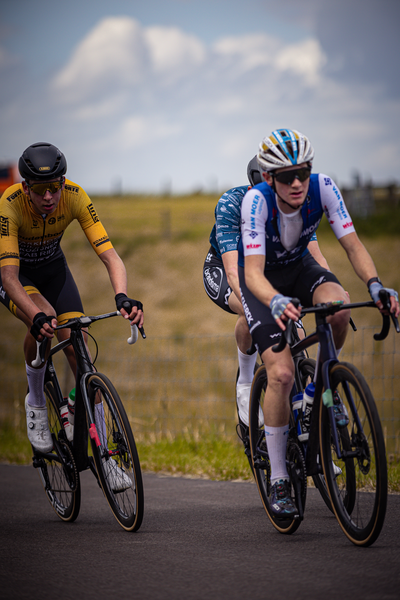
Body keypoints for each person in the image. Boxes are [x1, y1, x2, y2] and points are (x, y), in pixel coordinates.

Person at [239, 128, 399, 516]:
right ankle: (279, 478)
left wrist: (376, 285)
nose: (297, 182)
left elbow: (353, 245)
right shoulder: (255, 203)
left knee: (340, 307)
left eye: (304, 172)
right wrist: (274, 300)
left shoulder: (323, 187)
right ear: (269, 178)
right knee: (279, 374)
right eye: (288, 175)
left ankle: (324, 384)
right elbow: (253, 273)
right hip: (264, 285)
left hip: (301, 269)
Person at [0, 142, 144, 491]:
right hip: (17, 276)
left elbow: (110, 256)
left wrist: (122, 296)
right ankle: (35, 401)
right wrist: (34, 315)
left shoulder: (76, 196)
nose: (49, 196)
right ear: (25, 187)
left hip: (53, 270)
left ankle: (105, 458)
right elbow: (8, 277)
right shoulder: (9, 205)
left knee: (79, 351)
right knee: (46, 319)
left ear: (64, 183)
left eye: (55, 187)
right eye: (39, 189)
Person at [203, 156, 330, 433]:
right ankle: (246, 381)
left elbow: (314, 253)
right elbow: (233, 270)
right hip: (228, 267)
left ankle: (311, 439)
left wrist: (332, 288)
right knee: (249, 313)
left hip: (267, 267)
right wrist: (257, 303)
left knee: (296, 332)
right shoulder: (232, 204)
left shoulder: (294, 202)